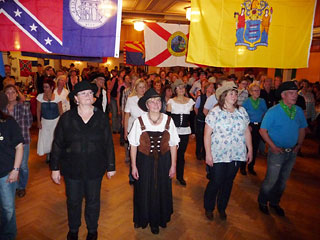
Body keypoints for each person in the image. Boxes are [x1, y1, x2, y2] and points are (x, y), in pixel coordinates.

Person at [50, 81, 116, 240]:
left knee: (93, 201)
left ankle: (92, 229)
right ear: (76, 99)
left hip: (95, 167)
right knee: (73, 201)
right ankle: (73, 229)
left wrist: (111, 165)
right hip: (72, 168)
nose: (88, 96)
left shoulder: (100, 117)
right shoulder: (67, 118)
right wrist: (55, 168)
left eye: (90, 93)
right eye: (83, 93)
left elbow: (108, 142)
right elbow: (57, 143)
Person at [128, 88, 179, 235]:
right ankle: (143, 217)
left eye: (158, 101)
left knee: (160, 189)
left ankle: (158, 220)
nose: (156, 104)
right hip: (144, 161)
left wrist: (173, 165)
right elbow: (133, 145)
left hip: (164, 161)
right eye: (152, 102)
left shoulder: (168, 120)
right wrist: (133, 166)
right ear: (147, 105)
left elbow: (173, 144)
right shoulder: (139, 121)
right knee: (144, 189)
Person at [203, 82, 253, 221]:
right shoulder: (215, 112)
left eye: (235, 93)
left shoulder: (241, 111)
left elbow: (246, 132)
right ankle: (209, 207)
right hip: (218, 153)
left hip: (236, 153)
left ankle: (222, 207)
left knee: (228, 182)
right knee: (216, 181)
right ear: (223, 96)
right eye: (231, 93)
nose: (234, 95)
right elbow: (207, 135)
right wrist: (208, 154)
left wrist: (250, 150)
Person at [258, 81, 307, 216]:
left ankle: (275, 202)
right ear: (283, 95)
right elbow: (263, 131)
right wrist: (272, 146)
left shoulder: (297, 111)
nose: (295, 96)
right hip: (277, 152)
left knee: (283, 180)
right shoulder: (273, 111)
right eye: (291, 93)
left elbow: (302, 128)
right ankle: (263, 201)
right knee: (271, 179)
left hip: (292, 151)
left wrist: (299, 145)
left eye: (295, 93)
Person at [0, 92, 24, 240]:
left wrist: (15, 170)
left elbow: (19, 146)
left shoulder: (8, 122)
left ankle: (8, 236)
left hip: (5, 174)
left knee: (8, 208)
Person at [4, 85, 33, 198]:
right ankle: (14, 186)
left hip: (23, 140)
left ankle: (21, 187)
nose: (10, 94)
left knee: (23, 166)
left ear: (17, 94)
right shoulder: (3, 110)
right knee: (11, 165)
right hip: (7, 143)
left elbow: (29, 123)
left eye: (13, 92)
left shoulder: (24, 107)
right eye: (8, 92)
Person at [167, 83, 195, 186]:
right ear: (175, 90)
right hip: (173, 132)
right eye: (178, 88)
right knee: (170, 153)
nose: (181, 89)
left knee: (181, 154)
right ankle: (168, 174)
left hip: (185, 132)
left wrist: (193, 131)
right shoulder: (171, 101)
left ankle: (180, 176)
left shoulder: (190, 102)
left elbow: (192, 119)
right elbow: (168, 118)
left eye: (182, 87)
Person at [240, 83, 267, 175]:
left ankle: (251, 166)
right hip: (249, 126)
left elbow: (265, 113)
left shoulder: (262, 101)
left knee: (255, 147)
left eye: (258, 90)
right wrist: (247, 125)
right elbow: (243, 115)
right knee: (246, 147)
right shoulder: (247, 101)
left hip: (259, 126)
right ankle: (242, 167)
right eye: (255, 90)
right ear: (250, 92)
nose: (257, 92)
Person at [36, 78, 63, 162]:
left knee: (54, 138)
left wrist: (62, 123)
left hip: (55, 121)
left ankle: (53, 155)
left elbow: (60, 110)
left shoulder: (57, 98)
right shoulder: (40, 96)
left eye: (47, 87)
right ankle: (48, 154)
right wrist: (38, 121)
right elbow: (38, 110)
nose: (45, 89)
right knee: (46, 139)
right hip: (45, 121)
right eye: (44, 87)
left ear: (51, 87)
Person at [194, 82, 214, 160]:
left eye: (212, 87)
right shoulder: (201, 97)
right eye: (210, 87)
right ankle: (198, 153)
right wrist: (198, 116)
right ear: (206, 88)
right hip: (201, 120)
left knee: (207, 137)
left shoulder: (213, 98)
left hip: (210, 121)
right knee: (199, 137)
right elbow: (196, 108)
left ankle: (204, 153)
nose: (212, 88)